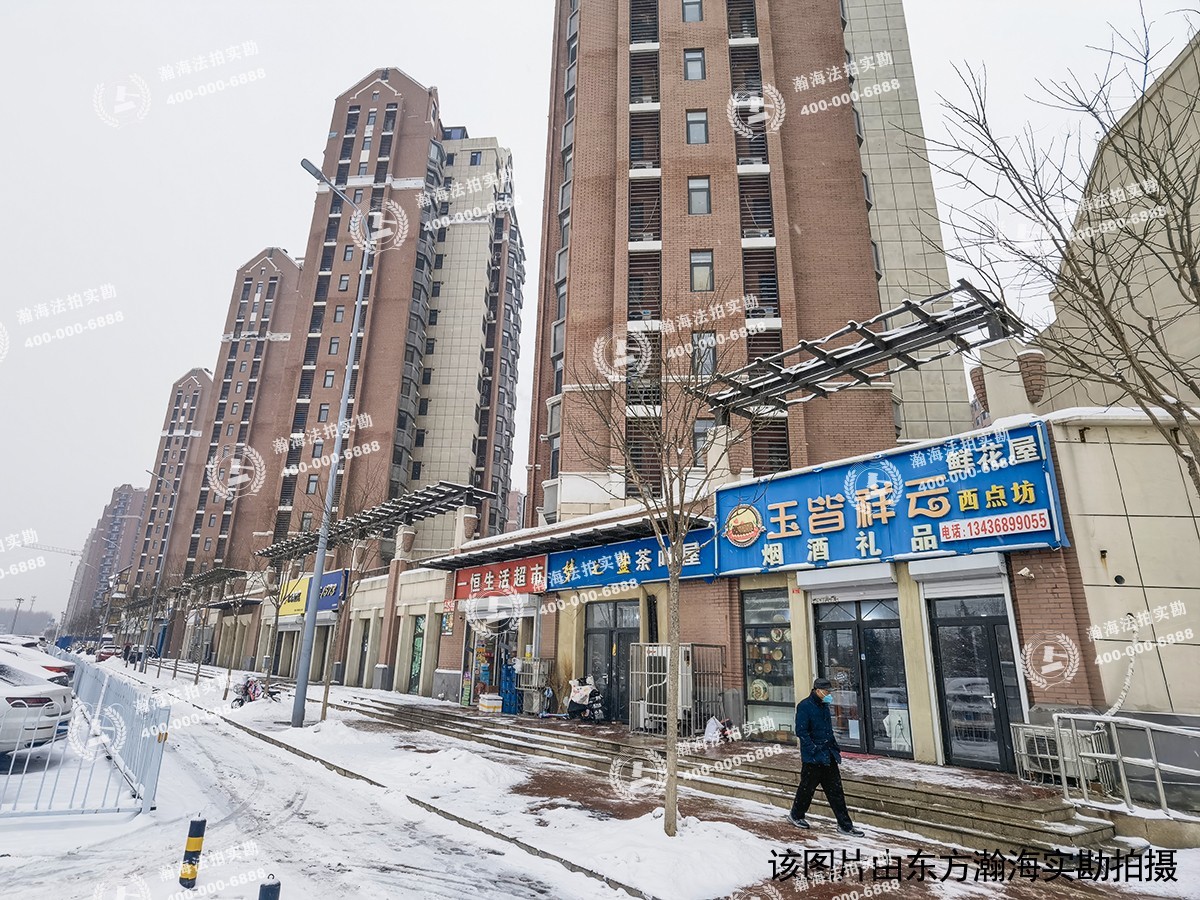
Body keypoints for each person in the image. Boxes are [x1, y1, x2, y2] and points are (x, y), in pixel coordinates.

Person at [789, 677, 864, 836]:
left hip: (828, 755)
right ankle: (796, 815)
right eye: (827, 691)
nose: (829, 694)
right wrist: (813, 748)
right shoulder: (805, 706)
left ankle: (845, 825)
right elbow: (801, 731)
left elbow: (827, 730)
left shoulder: (824, 706)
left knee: (836, 791)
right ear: (818, 691)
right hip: (813, 758)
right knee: (806, 790)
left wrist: (833, 747)